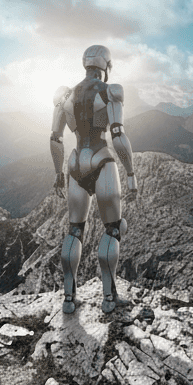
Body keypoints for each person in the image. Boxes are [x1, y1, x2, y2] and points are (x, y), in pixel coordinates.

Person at [50, 44, 139, 314]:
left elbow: (55, 138)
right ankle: (109, 298)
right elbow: (118, 134)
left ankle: (69, 299)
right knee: (113, 229)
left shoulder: (65, 94)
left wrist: (58, 174)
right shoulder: (110, 92)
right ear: (106, 66)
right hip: (101, 158)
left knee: (75, 230)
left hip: (75, 162)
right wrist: (131, 173)